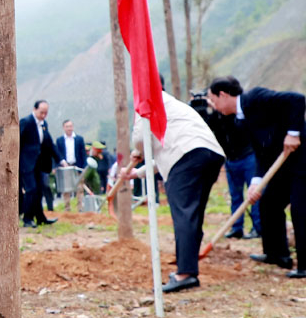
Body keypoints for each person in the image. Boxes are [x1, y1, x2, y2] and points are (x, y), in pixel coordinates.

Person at [129, 88, 225, 292]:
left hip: (188, 158)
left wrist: (138, 150)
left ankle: (185, 274)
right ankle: (189, 269)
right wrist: (136, 173)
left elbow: (140, 137)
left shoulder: (147, 100)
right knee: (192, 215)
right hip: (210, 154)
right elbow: (172, 152)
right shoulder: (175, 106)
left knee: (184, 215)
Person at [207, 77, 305, 278]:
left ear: (223, 95)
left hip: (302, 161)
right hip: (283, 163)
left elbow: (298, 99)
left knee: (300, 208)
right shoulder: (242, 119)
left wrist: (293, 133)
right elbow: (262, 153)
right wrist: (256, 182)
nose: (214, 106)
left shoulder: (256, 98)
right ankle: (277, 254)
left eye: (213, 100)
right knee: (268, 203)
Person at [210, 111, 263, 240]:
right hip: (231, 159)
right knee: (235, 195)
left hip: (248, 156)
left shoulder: (238, 112)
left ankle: (258, 228)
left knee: (255, 194)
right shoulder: (215, 117)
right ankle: (237, 228)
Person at [19, 99, 59, 227]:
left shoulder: (44, 124)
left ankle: (40, 218)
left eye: (45, 113)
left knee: (39, 190)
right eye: (41, 112)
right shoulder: (26, 122)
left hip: (39, 163)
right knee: (31, 189)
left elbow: (49, 143)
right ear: (35, 109)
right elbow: (17, 142)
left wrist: (60, 160)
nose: (43, 115)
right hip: (26, 163)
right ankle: (27, 218)